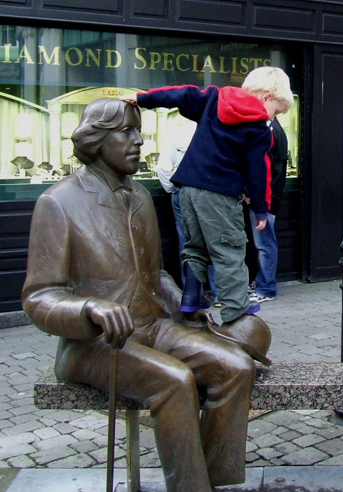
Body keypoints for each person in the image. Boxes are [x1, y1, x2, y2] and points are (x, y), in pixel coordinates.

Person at [22, 98, 272, 492]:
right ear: (96, 140)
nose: (139, 140)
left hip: (153, 325)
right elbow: (39, 296)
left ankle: (210, 479)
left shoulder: (140, 196)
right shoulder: (57, 202)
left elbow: (154, 273)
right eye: (127, 132)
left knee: (236, 366)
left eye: (138, 131)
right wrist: (88, 307)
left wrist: (182, 303)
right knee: (174, 379)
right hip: (95, 343)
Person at [126, 66, 294, 329]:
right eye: (277, 111)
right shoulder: (259, 129)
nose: (274, 118)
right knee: (230, 248)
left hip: (187, 188)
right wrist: (262, 209)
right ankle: (236, 310)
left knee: (195, 247)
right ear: (266, 97)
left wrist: (144, 99)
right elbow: (259, 171)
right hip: (220, 193)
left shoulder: (215, 99)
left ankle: (191, 299)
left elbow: (182, 95)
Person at [155, 123, 218, 306]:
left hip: (183, 188)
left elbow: (163, 168)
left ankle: (190, 294)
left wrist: (172, 188)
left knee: (187, 241)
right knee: (213, 239)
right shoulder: (215, 129)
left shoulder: (178, 131)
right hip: (211, 190)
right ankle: (219, 294)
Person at [249, 117, 289, 303]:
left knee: (264, 243)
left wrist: (261, 199)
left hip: (265, 199)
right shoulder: (275, 129)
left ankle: (266, 287)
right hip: (267, 198)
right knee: (264, 243)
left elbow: (271, 171)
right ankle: (263, 284)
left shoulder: (271, 130)